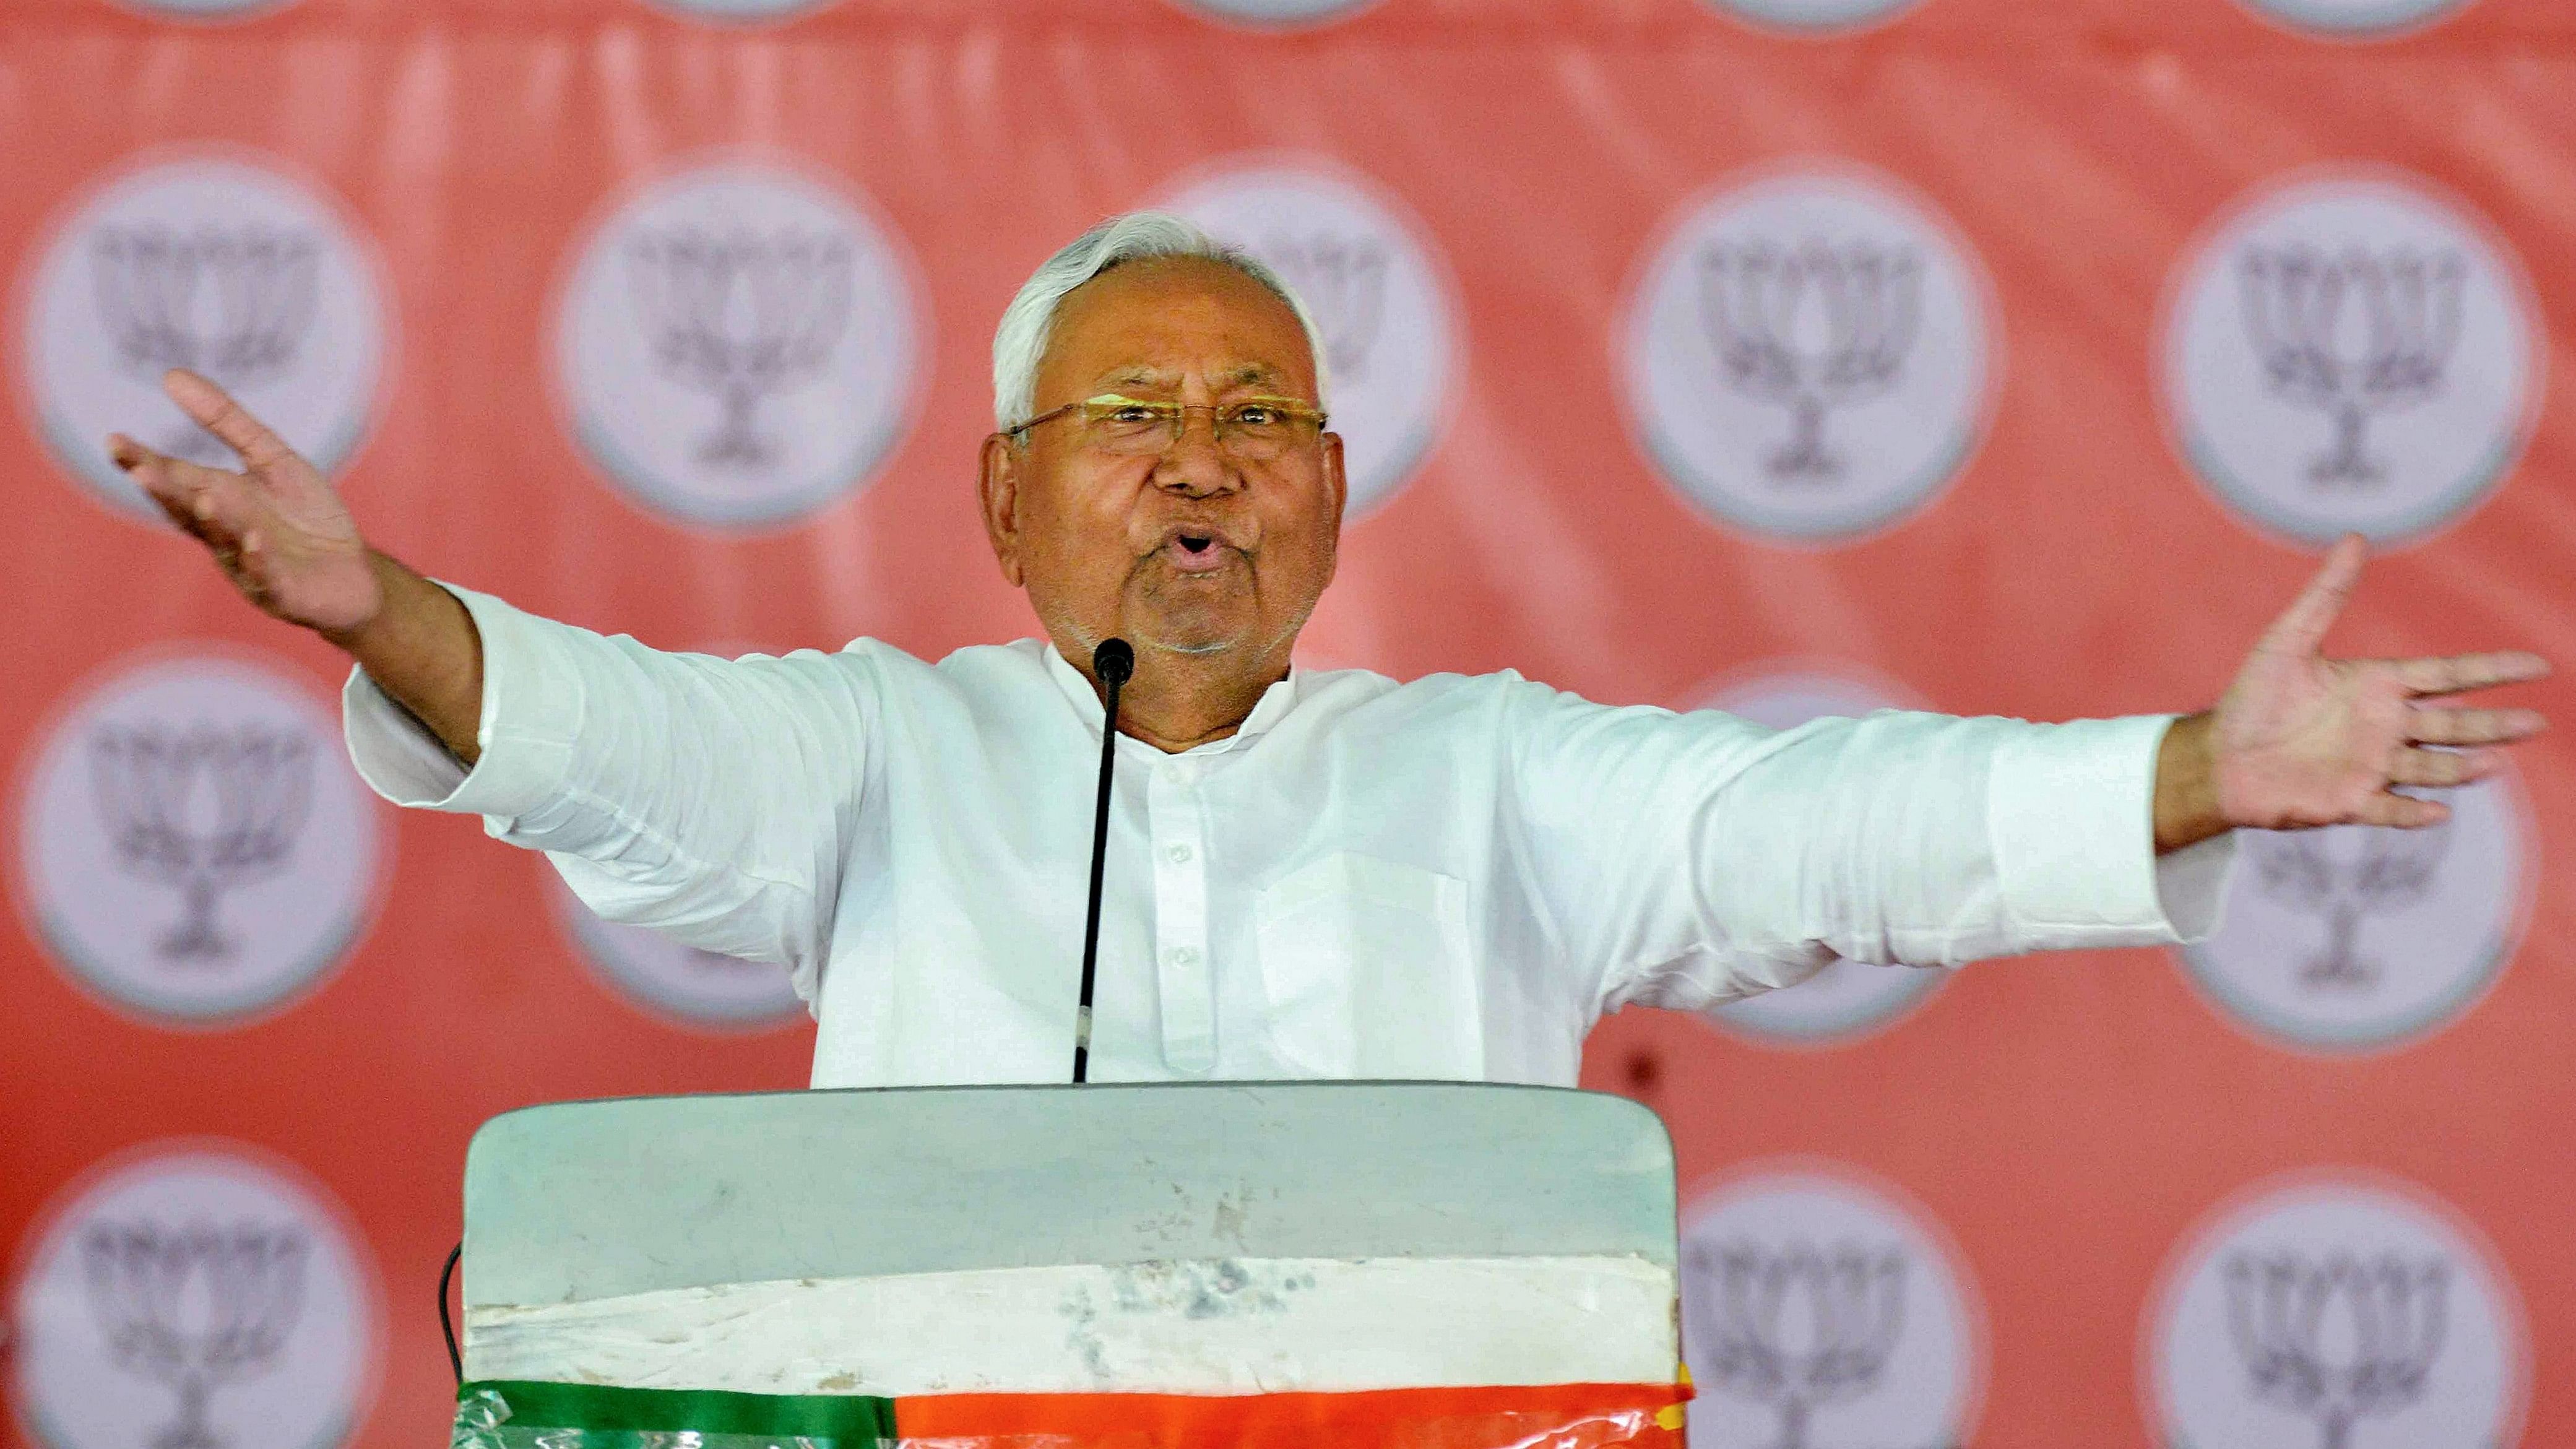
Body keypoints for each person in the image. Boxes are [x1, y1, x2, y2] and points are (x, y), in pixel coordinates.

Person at [106, 212, 2546, 1088]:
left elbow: (1815, 827)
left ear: (1336, 500)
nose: (1202, 459)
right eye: (1136, 414)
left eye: (1262, 416)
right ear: (1003, 493)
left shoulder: (1480, 775)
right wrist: (377, 608)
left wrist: (2202, 768)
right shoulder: (880, 757)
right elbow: (602, 739)